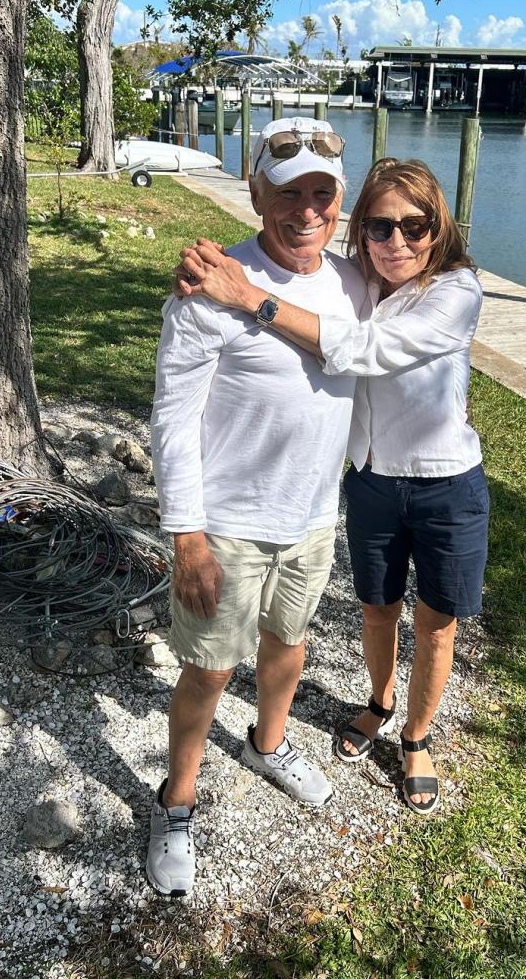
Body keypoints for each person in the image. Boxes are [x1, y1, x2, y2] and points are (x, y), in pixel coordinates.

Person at [175, 158, 489, 818]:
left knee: (434, 624)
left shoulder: (455, 291)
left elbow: (364, 351)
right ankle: (377, 702)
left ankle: (416, 736)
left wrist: (248, 296)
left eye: (414, 224)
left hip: (443, 487)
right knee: (377, 609)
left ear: (439, 227)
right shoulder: (356, 282)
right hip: (371, 483)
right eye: (379, 226)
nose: (396, 240)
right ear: (360, 228)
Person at [147, 117, 367, 897]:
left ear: (340, 202)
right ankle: (176, 800)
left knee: (289, 645)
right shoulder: (209, 287)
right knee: (209, 668)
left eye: (321, 194)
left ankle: (268, 744)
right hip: (229, 526)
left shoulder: (355, 282)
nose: (305, 211)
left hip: (312, 516)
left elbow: (428, 288)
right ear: (254, 193)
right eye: (287, 193)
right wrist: (187, 538)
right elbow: (171, 418)